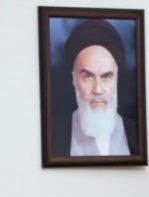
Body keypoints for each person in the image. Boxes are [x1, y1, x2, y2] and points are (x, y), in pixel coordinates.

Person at [51, 19, 138, 157]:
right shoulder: (52, 135)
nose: (97, 90)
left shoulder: (137, 134)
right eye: (88, 76)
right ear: (73, 79)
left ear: (116, 79)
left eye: (106, 76)